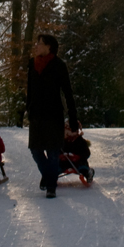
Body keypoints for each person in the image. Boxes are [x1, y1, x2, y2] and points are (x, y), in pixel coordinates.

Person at [25, 34, 78, 198]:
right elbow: (29, 90)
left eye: (39, 44)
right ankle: (49, 176)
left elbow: (68, 92)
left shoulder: (58, 65)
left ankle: (51, 186)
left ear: (49, 47)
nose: (36, 46)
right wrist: (27, 109)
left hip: (54, 115)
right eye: (36, 43)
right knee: (35, 150)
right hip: (36, 116)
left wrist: (73, 117)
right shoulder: (32, 65)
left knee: (53, 151)